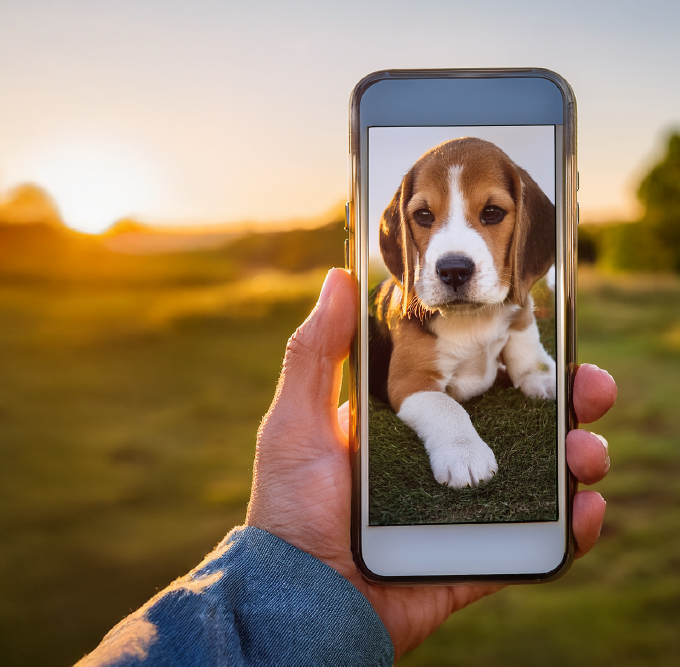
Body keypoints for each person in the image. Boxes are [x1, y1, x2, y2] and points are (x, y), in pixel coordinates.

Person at [80, 269, 616, 666]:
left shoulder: (510, 288)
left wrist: (528, 365)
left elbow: (520, 319)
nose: (457, 249)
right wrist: (452, 430)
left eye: (490, 214)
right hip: (423, 379)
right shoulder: (411, 305)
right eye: (427, 218)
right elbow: (407, 384)